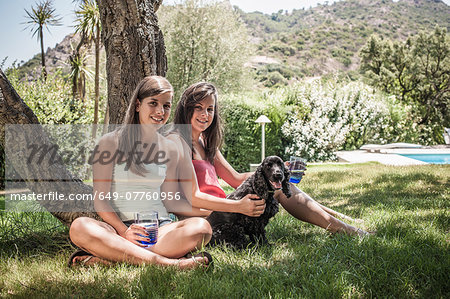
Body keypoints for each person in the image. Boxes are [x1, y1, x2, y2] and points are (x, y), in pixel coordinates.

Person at [170, 81, 372, 237]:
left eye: (210, 109)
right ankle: (341, 227)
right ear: (186, 108)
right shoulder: (177, 143)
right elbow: (188, 198)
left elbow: (236, 179)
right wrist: (237, 206)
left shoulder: (205, 141)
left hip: (224, 206)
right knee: (278, 188)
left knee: (279, 182)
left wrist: (275, 170)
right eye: (199, 107)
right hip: (208, 215)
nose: (205, 114)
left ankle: (339, 221)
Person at [69, 76, 217, 269]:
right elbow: (101, 201)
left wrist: (215, 210)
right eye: (153, 103)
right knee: (79, 227)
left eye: (166, 106)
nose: (160, 111)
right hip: (119, 229)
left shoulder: (170, 148)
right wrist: (125, 232)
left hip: (160, 229)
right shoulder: (109, 143)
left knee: (202, 228)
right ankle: (169, 264)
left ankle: (112, 258)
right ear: (138, 105)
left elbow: (169, 200)